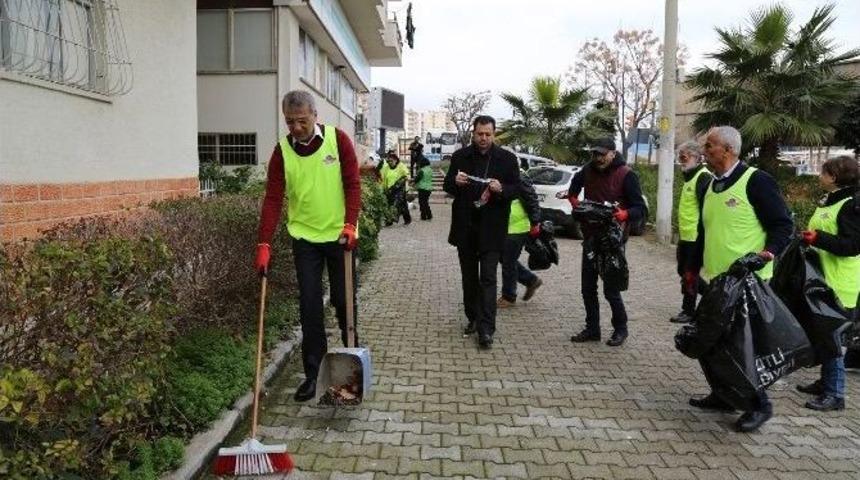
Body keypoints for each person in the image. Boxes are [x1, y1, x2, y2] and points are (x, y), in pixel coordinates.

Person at [254, 90, 361, 402]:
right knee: (310, 307)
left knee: (343, 301)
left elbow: (352, 184)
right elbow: (273, 198)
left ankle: (352, 366)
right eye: (290, 122)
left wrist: (351, 223)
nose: (297, 127)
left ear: (315, 115)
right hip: (304, 239)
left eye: (302, 121)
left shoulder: (337, 140)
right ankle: (314, 374)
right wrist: (264, 242)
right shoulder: (282, 151)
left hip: (340, 236)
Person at [688, 125, 793, 432]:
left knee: (740, 346)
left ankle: (760, 405)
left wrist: (767, 254)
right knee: (710, 342)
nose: (705, 151)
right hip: (715, 279)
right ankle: (723, 394)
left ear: (729, 150)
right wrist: (692, 269)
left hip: (747, 282)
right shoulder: (709, 185)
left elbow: (782, 225)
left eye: (710, 146)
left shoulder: (756, 181)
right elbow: (705, 232)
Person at [558, 137, 645, 347]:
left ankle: (620, 329)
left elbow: (640, 209)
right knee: (587, 287)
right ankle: (592, 329)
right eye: (595, 153)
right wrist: (575, 203)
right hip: (590, 237)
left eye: (602, 154)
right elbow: (573, 189)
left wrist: (624, 215)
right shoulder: (587, 170)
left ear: (613, 154)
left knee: (611, 289)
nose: (598, 158)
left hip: (613, 242)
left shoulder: (626, 174)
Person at [443, 115, 520, 349]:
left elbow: (517, 189)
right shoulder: (460, 156)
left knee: (488, 278)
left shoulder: (507, 159)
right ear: (473, 133)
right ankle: (473, 318)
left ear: (494, 134)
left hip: (492, 228)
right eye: (479, 134)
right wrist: (455, 181)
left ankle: (487, 329)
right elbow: (447, 186)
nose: (483, 138)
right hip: (466, 227)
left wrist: (502, 188)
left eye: (488, 134)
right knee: (469, 278)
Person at [795, 156, 860, 411]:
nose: (819, 176)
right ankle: (825, 382)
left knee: (833, 338)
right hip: (822, 280)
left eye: (822, 172)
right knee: (824, 334)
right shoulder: (831, 201)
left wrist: (818, 239)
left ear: (833, 176)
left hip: (840, 283)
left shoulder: (851, 206)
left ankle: (835, 394)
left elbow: (851, 246)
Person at [670, 140, 712, 324]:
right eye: (680, 157)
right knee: (683, 271)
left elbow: (706, 209)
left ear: (696, 157)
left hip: (696, 236)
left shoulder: (703, 177)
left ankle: (688, 310)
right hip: (685, 236)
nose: (681, 161)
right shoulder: (690, 177)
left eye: (684, 157)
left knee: (690, 273)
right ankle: (714, 296)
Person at [498, 176, 543, 307]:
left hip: (517, 227)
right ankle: (531, 280)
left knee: (508, 262)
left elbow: (532, 201)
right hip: (505, 227)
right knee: (505, 259)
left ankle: (509, 296)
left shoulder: (519, 178)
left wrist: (535, 223)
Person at [381, 152, 411, 225]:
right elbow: (384, 179)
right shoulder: (386, 168)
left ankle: (392, 220)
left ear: (396, 160)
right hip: (390, 189)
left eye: (391, 161)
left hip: (400, 189)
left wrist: (401, 181)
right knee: (394, 205)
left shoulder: (401, 166)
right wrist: (384, 188)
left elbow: (407, 176)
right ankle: (390, 220)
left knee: (396, 204)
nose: (390, 163)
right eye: (388, 161)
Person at [413, 155, 434, 220]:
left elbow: (417, 179)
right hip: (429, 188)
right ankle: (429, 215)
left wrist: (413, 183)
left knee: (422, 203)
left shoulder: (422, 170)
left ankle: (423, 216)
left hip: (422, 188)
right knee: (425, 202)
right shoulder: (430, 170)